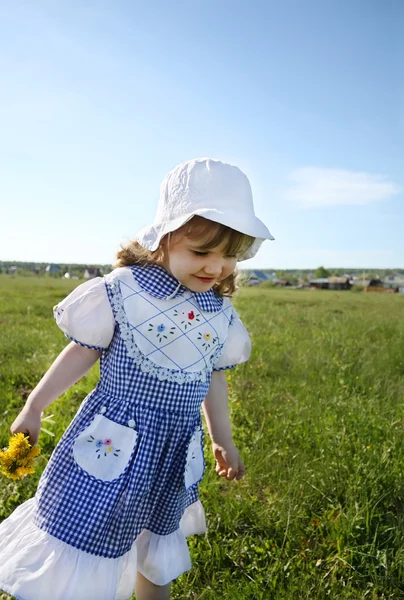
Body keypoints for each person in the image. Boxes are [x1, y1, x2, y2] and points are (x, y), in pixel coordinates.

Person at [0, 158, 273, 600]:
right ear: (163, 239)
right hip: (113, 442)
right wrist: (35, 406)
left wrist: (222, 438)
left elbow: (213, 380)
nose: (216, 267)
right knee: (86, 536)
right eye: (202, 252)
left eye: (230, 255)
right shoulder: (123, 290)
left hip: (171, 452)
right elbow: (80, 354)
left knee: (155, 548)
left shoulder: (220, 315)